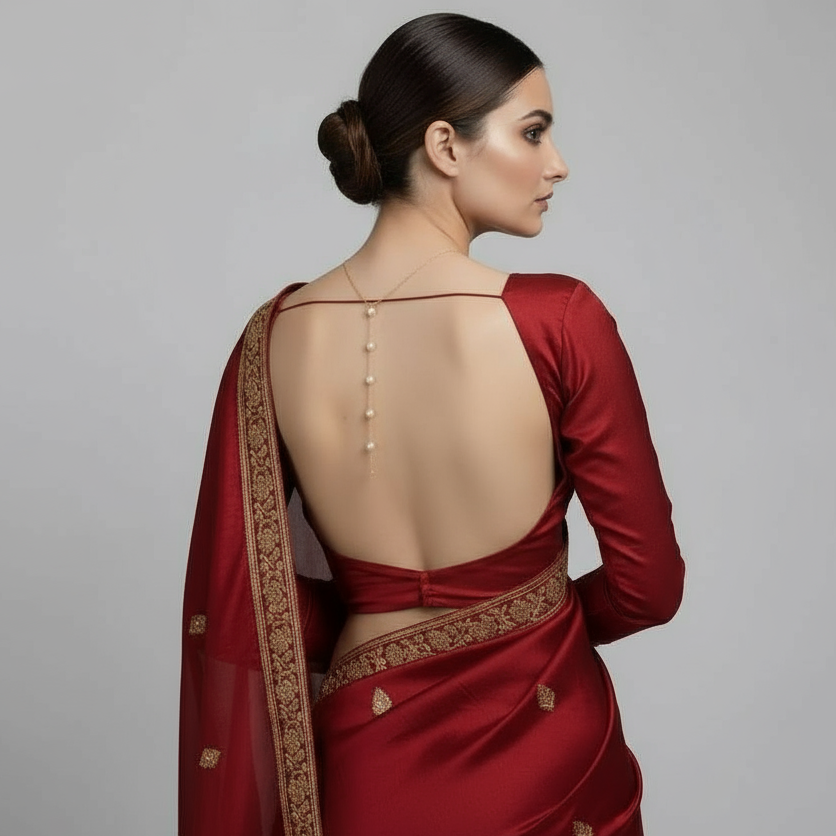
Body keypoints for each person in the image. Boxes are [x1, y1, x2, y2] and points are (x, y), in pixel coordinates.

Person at [178, 12, 686, 836]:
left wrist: (390, 634)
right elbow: (649, 586)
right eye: (533, 131)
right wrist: (521, 627)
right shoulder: (559, 321)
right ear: (446, 146)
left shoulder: (273, 339)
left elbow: (264, 605)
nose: (557, 163)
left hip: (366, 749)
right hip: (542, 739)